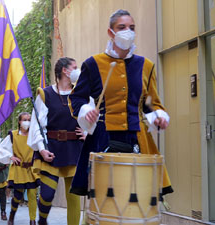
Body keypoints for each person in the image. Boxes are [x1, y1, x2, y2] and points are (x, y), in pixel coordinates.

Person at [68, 9, 173, 197]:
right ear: (111, 32)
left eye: (132, 28)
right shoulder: (93, 64)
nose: (128, 31)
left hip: (137, 137)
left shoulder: (146, 65)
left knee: (137, 196)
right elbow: (76, 97)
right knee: (103, 197)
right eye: (122, 27)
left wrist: (158, 116)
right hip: (103, 137)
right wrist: (86, 111)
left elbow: (149, 102)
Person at [27, 57, 85, 225]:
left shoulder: (81, 94)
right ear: (64, 71)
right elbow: (36, 125)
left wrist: (87, 132)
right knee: (47, 194)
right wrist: (41, 149)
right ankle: (42, 220)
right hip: (50, 148)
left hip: (74, 149)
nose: (77, 70)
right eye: (74, 67)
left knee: (73, 197)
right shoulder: (45, 94)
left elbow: (90, 116)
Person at [0, 112, 40, 225]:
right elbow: (2, 148)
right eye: (24, 119)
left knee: (32, 195)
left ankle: (33, 220)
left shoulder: (35, 134)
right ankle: (11, 216)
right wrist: (10, 156)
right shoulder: (13, 135)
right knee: (17, 196)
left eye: (29, 119)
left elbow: (41, 147)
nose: (27, 122)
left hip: (31, 169)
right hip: (19, 169)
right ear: (20, 122)